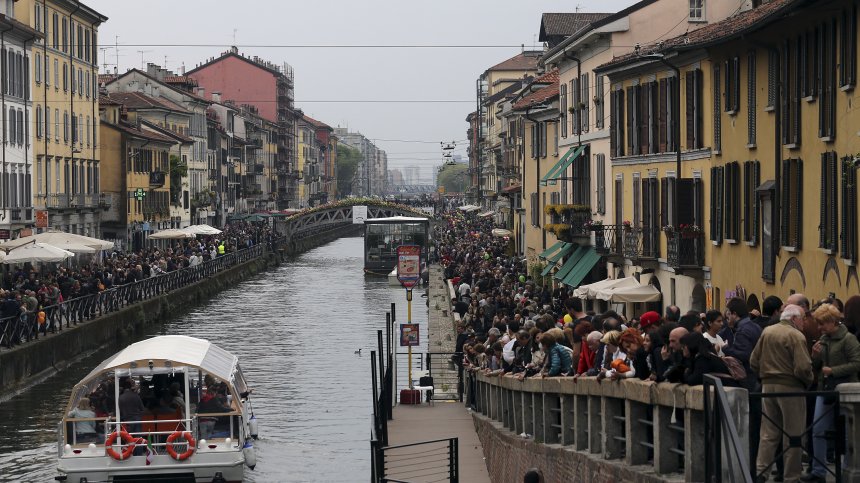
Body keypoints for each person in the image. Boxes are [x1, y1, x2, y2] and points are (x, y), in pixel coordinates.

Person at [750, 304, 814, 483]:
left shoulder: (767, 332)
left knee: (768, 433)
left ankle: (761, 472)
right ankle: (791, 476)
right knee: (793, 434)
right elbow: (802, 367)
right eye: (802, 318)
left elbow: (754, 360)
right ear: (794, 319)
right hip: (791, 388)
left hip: (767, 387)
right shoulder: (796, 335)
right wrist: (809, 380)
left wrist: (763, 376)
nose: (804, 322)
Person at [803, 303, 860, 482]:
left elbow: (857, 363)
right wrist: (815, 357)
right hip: (825, 389)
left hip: (845, 390)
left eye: (822, 324)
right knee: (818, 429)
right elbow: (817, 368)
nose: (819, 327)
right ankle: (818, 471)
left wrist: (833, 371)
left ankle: (847, 470)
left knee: (848, 432)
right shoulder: (823, 340)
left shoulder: (849, 339)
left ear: (833, 322)